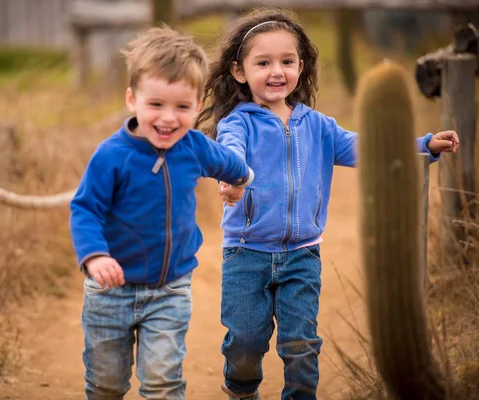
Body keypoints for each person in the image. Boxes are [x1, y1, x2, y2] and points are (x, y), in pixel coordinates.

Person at [194, 8, 460, 400]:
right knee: (245, 343)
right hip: (246, 253)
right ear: (239, 71)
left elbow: (370, 146)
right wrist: (232, 178)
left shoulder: (318, 126)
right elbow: (230, 155)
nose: (277, 71)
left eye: (287, 61)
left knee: (301, 344)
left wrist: (423, 144)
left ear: (300, 66)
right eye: (263, 62)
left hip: (302, 255)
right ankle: (242, 390)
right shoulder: (238, 123)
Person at [69, 26, 254, 400]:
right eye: (156, 105)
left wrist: (240, 181)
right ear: (132, 99)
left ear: (198, 105)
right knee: (106, 385)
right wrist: (94, 255)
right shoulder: (112, 155)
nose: (169, 118)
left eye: (182, 107)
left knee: (162, 383)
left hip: (170, 290)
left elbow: (233, 166)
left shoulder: (195, 146)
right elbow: (85, 208)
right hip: (110, 292)